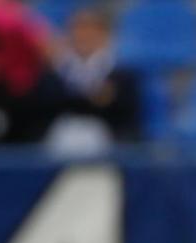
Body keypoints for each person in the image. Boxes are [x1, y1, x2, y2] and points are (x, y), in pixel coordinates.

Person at [44, 6, 141, 154]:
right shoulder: (54, 73)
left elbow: (127, 115)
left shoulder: (122, 75)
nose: (84, 35)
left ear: (105, 34)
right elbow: (45, 106)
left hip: (108, 144)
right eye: (78, 29)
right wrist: (92, 98)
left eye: (91, 29)